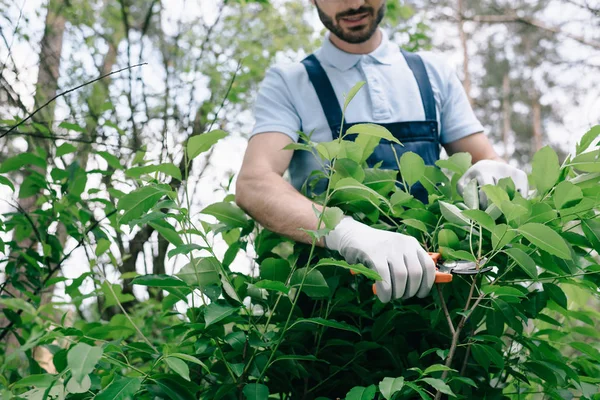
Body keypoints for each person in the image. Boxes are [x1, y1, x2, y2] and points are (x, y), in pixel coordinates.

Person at [235, 0, 528, 303]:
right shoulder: (290, 82)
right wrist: (346, 233)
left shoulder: (433, 72)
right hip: (331, 314)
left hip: (440, 301)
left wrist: (497, 173)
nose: (354, 3)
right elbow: (254, 184)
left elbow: (486, 160)